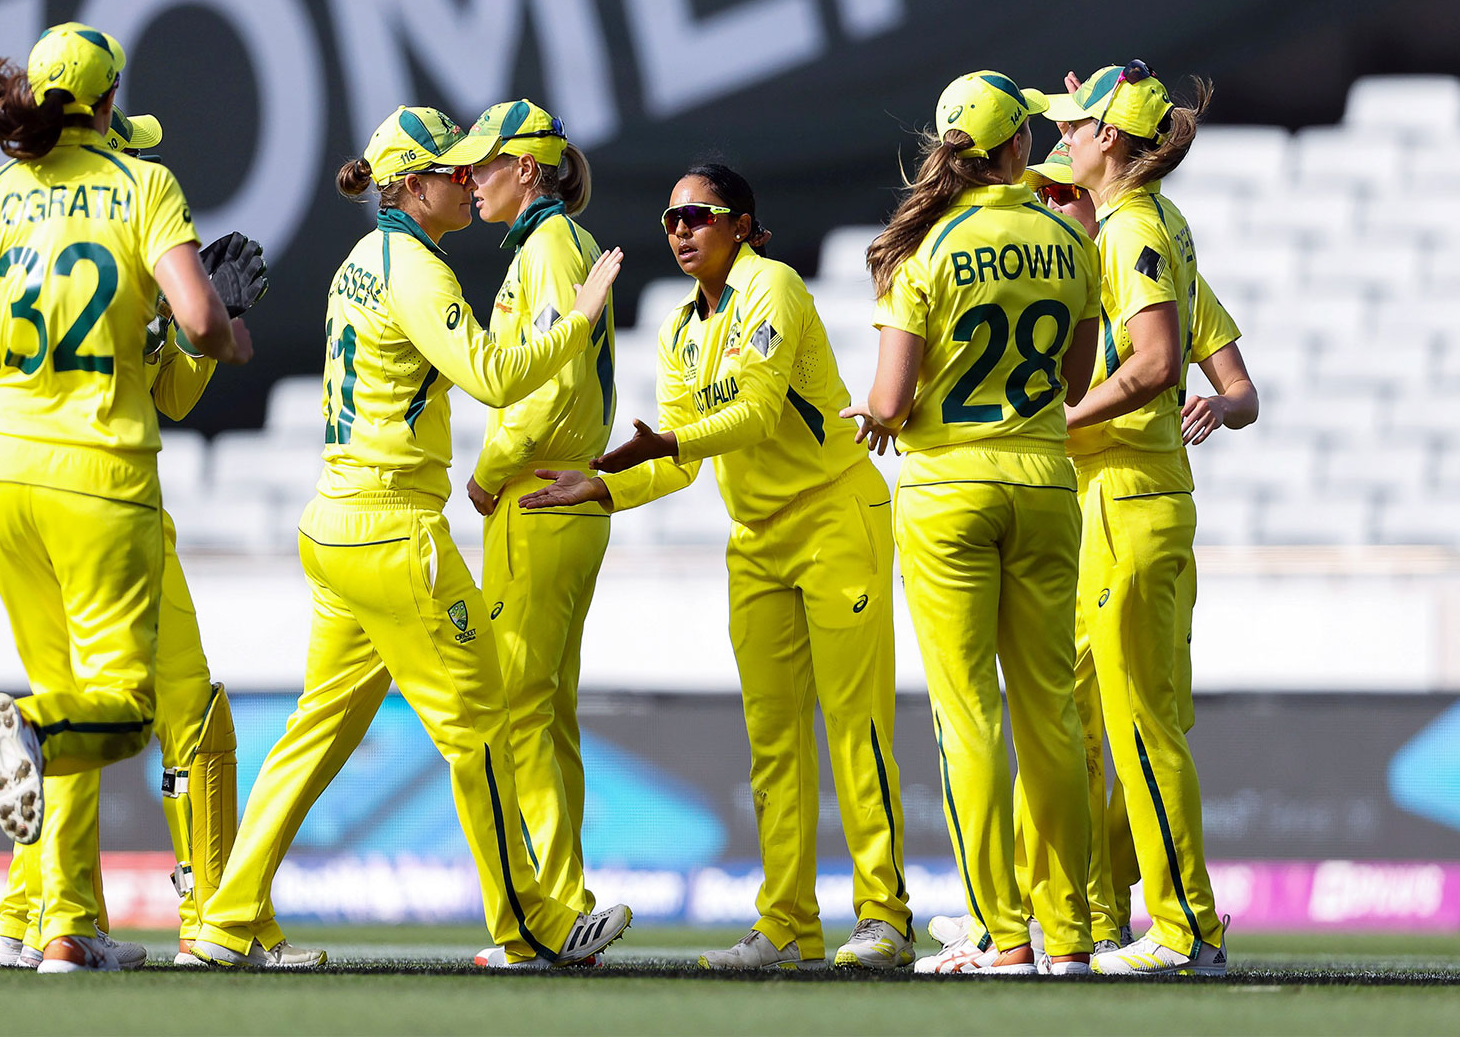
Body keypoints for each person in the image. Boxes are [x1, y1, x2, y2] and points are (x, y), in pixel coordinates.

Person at [190, 106, 631, 971]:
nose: (467, 181)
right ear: (408, 186)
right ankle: (531, 924)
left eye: (471, 167)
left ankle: (224, 917)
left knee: (317, 729)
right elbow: (495, 375)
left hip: (335, 524)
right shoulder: (416, 273)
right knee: (485, 723)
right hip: (395, 534)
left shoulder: (361, 261)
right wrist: (576, 319)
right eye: (451, 171)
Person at [0, 24, 250, 973]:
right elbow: (199, 321)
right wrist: (223, 339)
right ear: (106, 107)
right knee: (113, 716)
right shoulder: (144, 186)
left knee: (68, 695)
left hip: (4, 472)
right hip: (100, 477)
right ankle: (33, 750)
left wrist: (2, 356)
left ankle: (55, 925)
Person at [521, 163, 914, 971]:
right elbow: (677, 462)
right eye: (671, 219)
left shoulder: (773, 286)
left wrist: (669, 442)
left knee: (855, 724)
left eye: (699, 216)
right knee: (772, 740)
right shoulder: (676, 327)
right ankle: (789, 925)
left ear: (742, 224)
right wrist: (605, 485)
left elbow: (757, 412)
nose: (681, 230)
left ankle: (884, 918)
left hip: (837, 512)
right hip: (757, 538)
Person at [0, 111, 268, 971]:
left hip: (29, 494)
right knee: (177, 716)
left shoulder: (29, 223)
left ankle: (28, 918)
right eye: (134, 146)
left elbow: (174, 389)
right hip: (113, 506)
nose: (149, 159)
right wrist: (215, 316)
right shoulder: (136, 222)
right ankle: (210, 925)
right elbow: (187, 367)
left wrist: (199, 328)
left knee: (69, 708)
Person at [845, 72, 1100, 976]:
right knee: (1051, 719)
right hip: (1043, 483)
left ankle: (1001, 935)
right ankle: (1069, 936)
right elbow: (1073, 388)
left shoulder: (925, 248)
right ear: (1017, 147)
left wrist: (887, 417)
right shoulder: (1074, 243)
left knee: (969, 721)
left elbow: (888, 400)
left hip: (947, 490)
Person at [1019, 140, 1258, 948]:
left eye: (1058, 192)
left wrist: (1053, 423)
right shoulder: (1134, 243)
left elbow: (1227, 387)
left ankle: (1185, 923)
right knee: (1081, 725)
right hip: (1099, 506)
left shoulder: (1137, 240)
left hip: (1130, 500)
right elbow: (1238, 390)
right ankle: (1087, 918)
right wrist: (1225, 407)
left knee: (1140, 730)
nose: (1050, 205)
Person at [449, 101, 615, 947]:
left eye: (484, 164)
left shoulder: (547, 250)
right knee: (549, 715)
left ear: (528, 169)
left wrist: (485, 473)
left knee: (515, 711)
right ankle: (567, 898)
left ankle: (548, 914)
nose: (471, 179)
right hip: (565, 503)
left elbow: (545, 384)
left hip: (534, 497)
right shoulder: (562, 247)